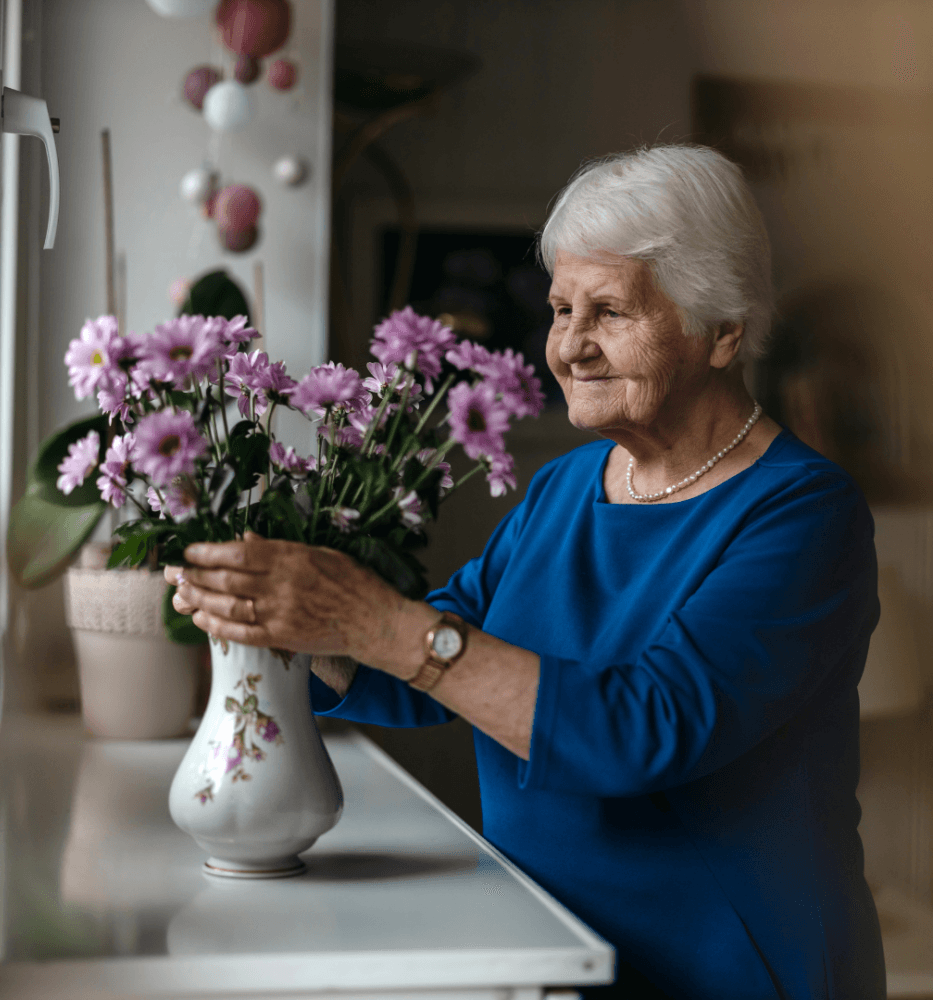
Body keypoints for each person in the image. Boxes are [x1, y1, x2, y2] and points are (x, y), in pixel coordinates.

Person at [166, 145, 885, 999]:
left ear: (722, 331)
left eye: (609, 311)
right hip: (549, 947)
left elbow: (645, 728)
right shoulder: (569, 486)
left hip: (730, 975)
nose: (570, 347)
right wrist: (297, 627)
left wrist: (378, 622)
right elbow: (442, 659)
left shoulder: (804, 513)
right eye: (560, 309)